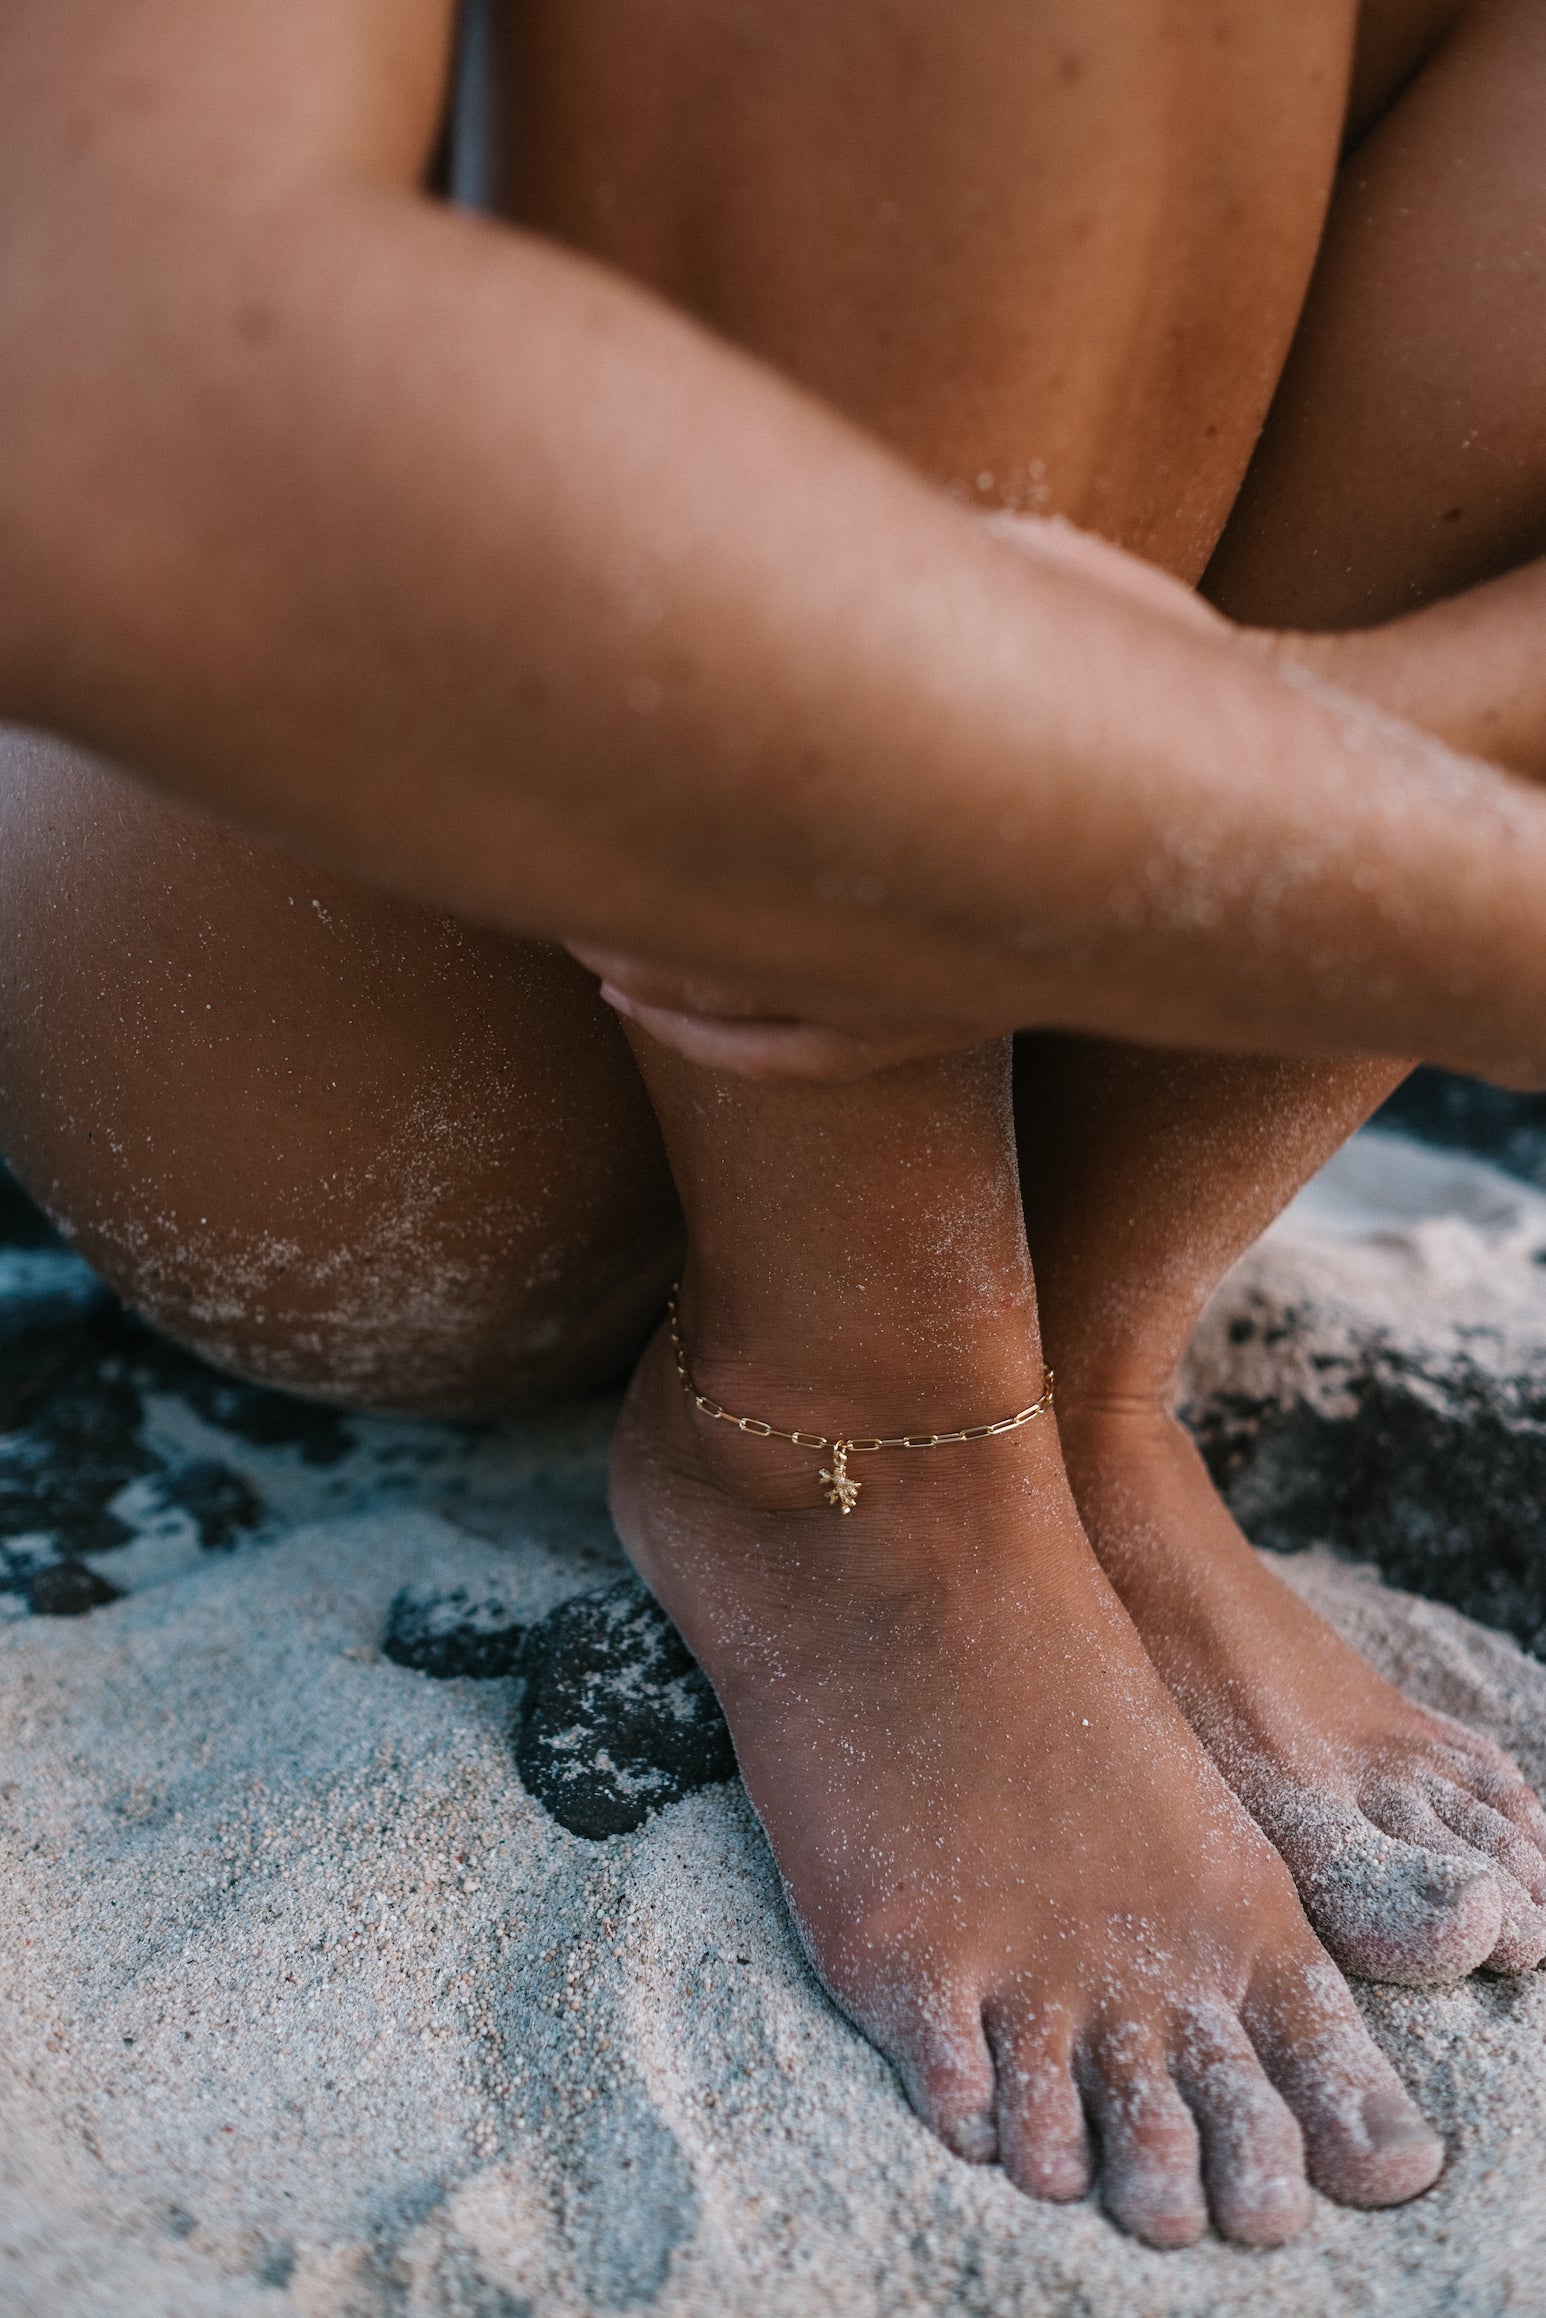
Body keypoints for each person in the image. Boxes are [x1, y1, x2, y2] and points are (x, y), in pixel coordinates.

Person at [4, 0, 1546, 2248]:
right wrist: (1201, 850)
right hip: (419, 880)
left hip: (1064, 928)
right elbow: (99, 388)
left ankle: (1078, 1336)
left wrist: (1209, 781)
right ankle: (867, 1411)